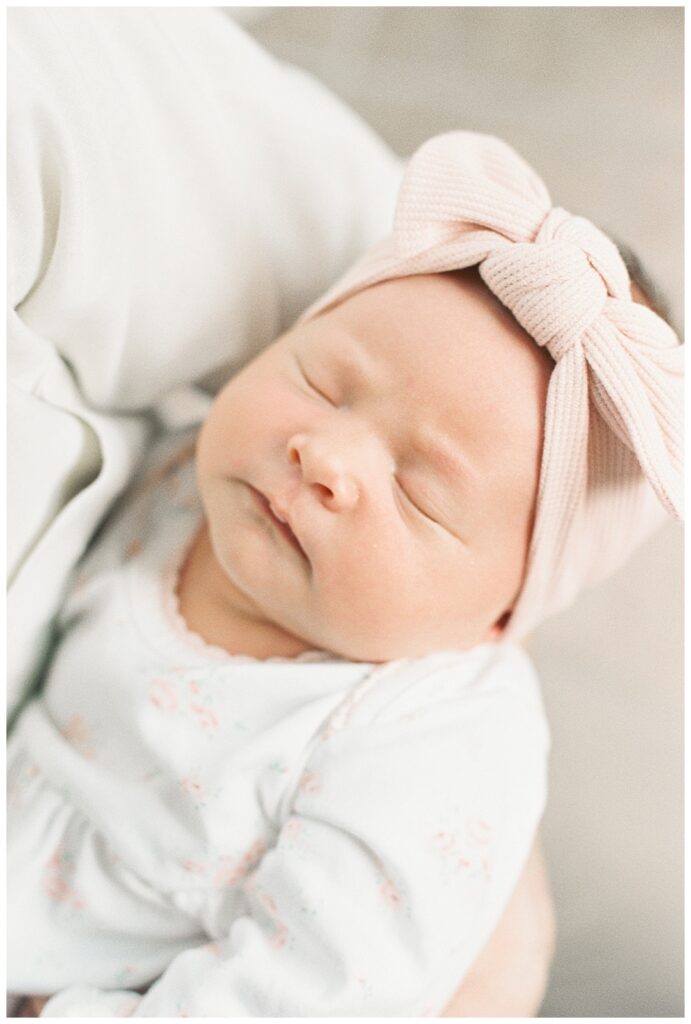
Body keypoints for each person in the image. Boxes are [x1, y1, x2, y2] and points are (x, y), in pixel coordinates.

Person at [7, 132, 681, 1017]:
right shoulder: (185, 474)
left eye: (419, 496)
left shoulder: (433, 741)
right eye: (322, 382)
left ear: (501, 613)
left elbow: (310, 994)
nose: (324, 455)